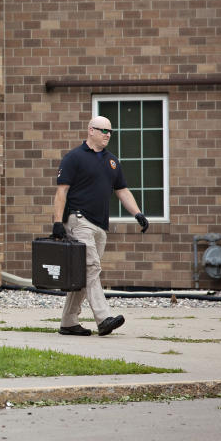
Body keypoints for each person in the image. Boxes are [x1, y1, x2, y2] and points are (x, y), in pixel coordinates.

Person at [51, 116, 149, 337]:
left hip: (100, 227)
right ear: (90, 131)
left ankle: (68, 322)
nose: (107, 134)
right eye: (103, 130)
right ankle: (104, 318)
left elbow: (122, 190)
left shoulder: (112, 161)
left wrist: (138, 213)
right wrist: (58, 222)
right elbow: (61, 192)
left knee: (84, 274)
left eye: (110, 131)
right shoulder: (73, 158)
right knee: (92, 267)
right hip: (78, 221)